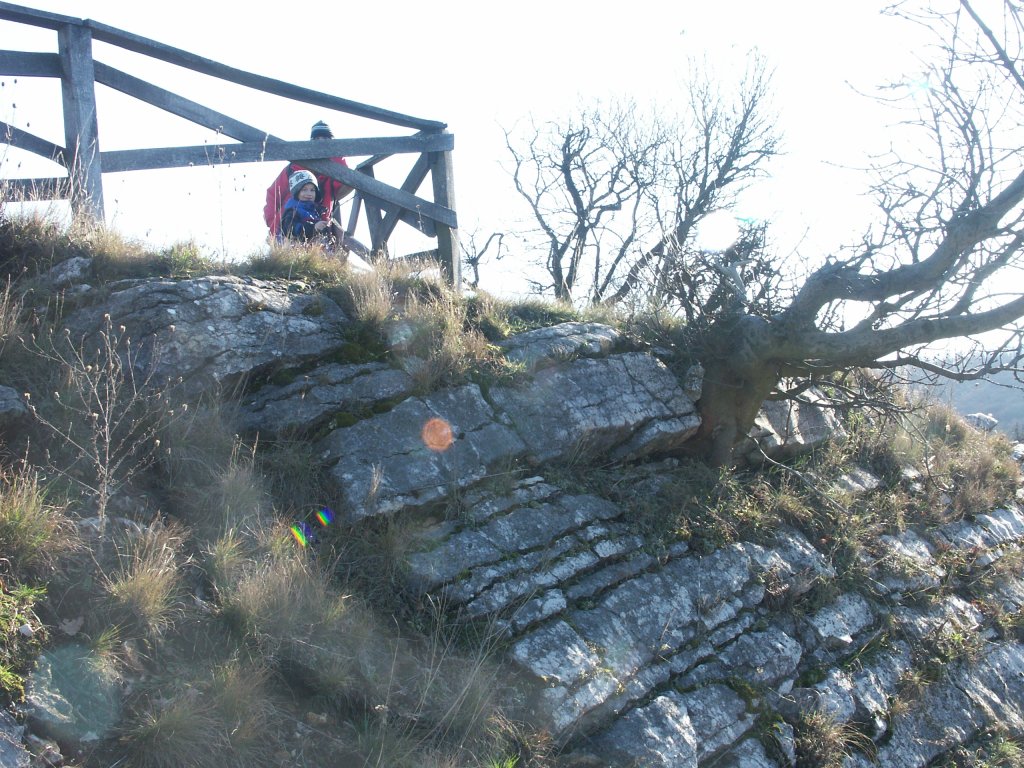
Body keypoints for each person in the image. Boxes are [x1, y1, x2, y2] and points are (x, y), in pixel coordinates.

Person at [263, 120, 351, 241]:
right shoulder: (293, 169)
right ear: (311, 142)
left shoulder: (333, 173)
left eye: (326, 139)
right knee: (288, 249)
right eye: (317, 139)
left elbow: (346, 180)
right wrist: (272, 222)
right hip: (285, 228)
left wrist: (336, 154)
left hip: (317, 230)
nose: (321, 143)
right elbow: (273, 194)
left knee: (311, 251)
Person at [280, 170, 333, 244]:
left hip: (314, 248)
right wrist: (313, 228)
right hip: (296, 248)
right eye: (304, 190)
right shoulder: (292, 211)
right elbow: (292, 230)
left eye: (312, 190)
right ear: (296, 192)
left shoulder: (316, 212)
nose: (309, 193)